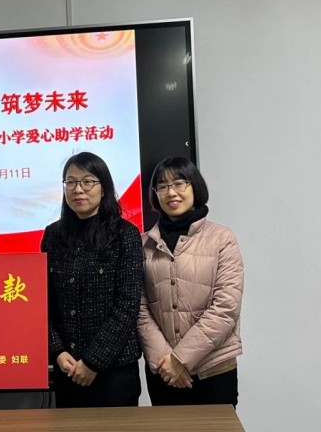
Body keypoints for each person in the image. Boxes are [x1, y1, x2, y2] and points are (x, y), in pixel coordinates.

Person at [138, 157, 243, 407]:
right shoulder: (144, 244)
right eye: (162, 186)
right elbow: (140, 309)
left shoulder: (222, 238)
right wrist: (166, 361)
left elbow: (226, 307)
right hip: (164, 372)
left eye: (179, 183)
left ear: (195, 186)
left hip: (213, 369)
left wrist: (180, 360)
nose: (171, 192)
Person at [41, 152, 143, 408]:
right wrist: (57, 351)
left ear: (103, 187)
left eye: (87, 182)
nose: (78, 189)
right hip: (67, 368)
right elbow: (44, 302)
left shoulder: (125, 235)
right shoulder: (53, 235)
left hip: (114, 372)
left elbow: (127, 305)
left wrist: (93, 362)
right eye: (71, 182)